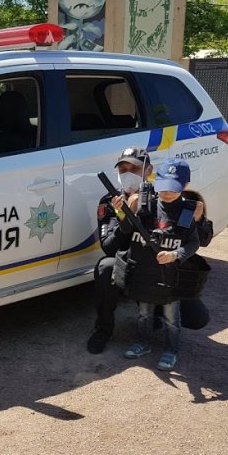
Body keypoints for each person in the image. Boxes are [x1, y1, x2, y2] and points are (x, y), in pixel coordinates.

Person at [122, 158, 200, 371]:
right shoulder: (145, 204)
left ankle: (171, 350)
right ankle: (144, 343)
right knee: (144, 313)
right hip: (144, 274)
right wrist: (125, 211)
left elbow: (194, 242)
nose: (166, 193)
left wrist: (176, 254)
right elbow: (126, 230)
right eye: (163, 188)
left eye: (173, 189)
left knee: (171, 319)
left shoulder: (187, 211)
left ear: (184, 186)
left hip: (170, 278)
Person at [86, 146, 153, 354]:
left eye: (134, 168)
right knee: (106, 267)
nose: (127, 174)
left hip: (153, 264)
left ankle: (159, 316)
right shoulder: (109, 201)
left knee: (196, 318)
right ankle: (103, 329)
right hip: (126, 262)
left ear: (148, 171)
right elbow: (108, 247)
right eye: (123, 169)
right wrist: (124, 217)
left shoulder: (160, 198)